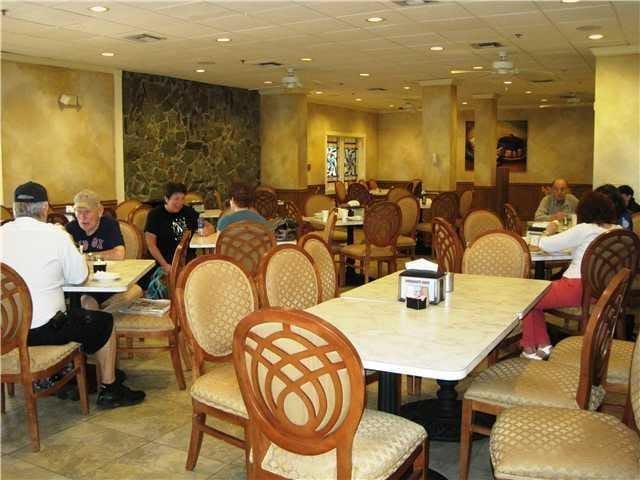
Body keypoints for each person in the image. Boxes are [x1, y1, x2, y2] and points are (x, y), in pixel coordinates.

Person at [0, 181, 145, 408]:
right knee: (103, 322)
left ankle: (62, 374)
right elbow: (79, 277)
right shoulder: (56, 235)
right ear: (45, 208)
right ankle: (109, 387)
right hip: (45, 329)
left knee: (79, 311)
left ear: (14, 208)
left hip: (6, 332)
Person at [521, 191, 620, 360]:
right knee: (536, 296)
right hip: (603, 290)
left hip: (576, 287)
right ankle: (543, 345)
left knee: (528, 296)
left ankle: (530, 347)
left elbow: (547, 245)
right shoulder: (618, 231)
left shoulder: (585, 229)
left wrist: (548, 231)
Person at [66, 190, 136, 310]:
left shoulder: (109, 225)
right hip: (79, 282)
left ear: (99, 211)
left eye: (87, 212)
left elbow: (119, 254)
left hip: (106, 282)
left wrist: (87, 256)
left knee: (87, 302)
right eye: (78, 212)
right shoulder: (70, 228)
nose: (83, 217)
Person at [145, 182, 213, 274]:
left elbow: (209, 226)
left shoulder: (188, 212)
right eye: (176, 199)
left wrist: (206, 230)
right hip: (163, 262)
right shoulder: (155, 215)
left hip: (187, 261)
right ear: (166, 199)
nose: (180, 202)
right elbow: (151, 245)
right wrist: (165, 265)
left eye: (182, 198)